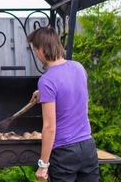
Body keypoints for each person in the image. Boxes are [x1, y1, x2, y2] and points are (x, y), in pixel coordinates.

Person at [28, 27, 99, 182]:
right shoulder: (78, 67)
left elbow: (49, 127)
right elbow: (72, 93)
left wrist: (43, 164)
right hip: (88, 147)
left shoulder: (46, 80)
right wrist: (44, 93)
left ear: (41, 49)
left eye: (35, 49)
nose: (35, 53)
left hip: (64, 153)